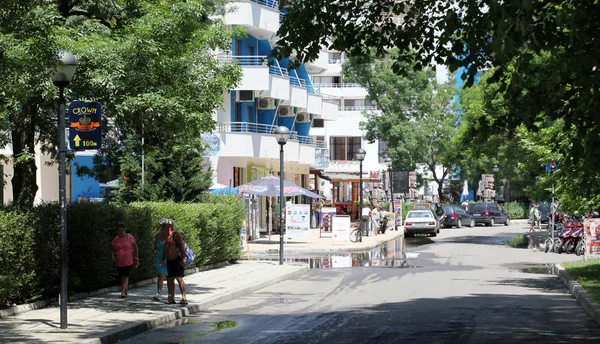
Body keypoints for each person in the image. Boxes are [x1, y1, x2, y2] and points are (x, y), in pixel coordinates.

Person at [160, 219, 188, 305]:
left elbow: (182, 246)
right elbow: (165, 248)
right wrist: (163, 259)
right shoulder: (165, 236)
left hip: (177, 259)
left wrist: (183, 258)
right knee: (169, 279)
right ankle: (171, 298)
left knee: (179, 278)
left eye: (164, 225)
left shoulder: (176, 234)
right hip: (169, 260)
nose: (162, 227)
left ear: (170, 226)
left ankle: (184, 297)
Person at [111, 222, 138, 298]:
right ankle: (125, 292)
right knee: (122, 277)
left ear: (125, 230)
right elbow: (112, 249)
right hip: (119, 261)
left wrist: (136, 257)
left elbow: (135, 248)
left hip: (129, 260)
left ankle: (123, 292)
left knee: (125, 276)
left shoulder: (129, 237)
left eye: (122, 230)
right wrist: (112, 256)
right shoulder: (116, 239)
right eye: (119, 230)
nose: (120, 232)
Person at [152, 218, 170, 301]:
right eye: (161, 225)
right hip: (159, 257)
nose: (162, 227)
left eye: (164, 225)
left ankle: (171, 294)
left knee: (171, 277)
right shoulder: (158, 235)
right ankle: (159, 293)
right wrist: (153, 256)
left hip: (168, 257)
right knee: (160, 275)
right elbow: (155, 247)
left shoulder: (171, 235)